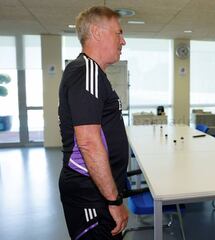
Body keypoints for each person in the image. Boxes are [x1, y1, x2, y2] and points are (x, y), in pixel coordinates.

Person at [58, 6, 128, 240]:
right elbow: (88, 142)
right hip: (91, 194)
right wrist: (113, 200)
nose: (123, 41)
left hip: (97, 192)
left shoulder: (93, 73)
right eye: (118, 33)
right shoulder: (86, 71)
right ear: (97, 32)